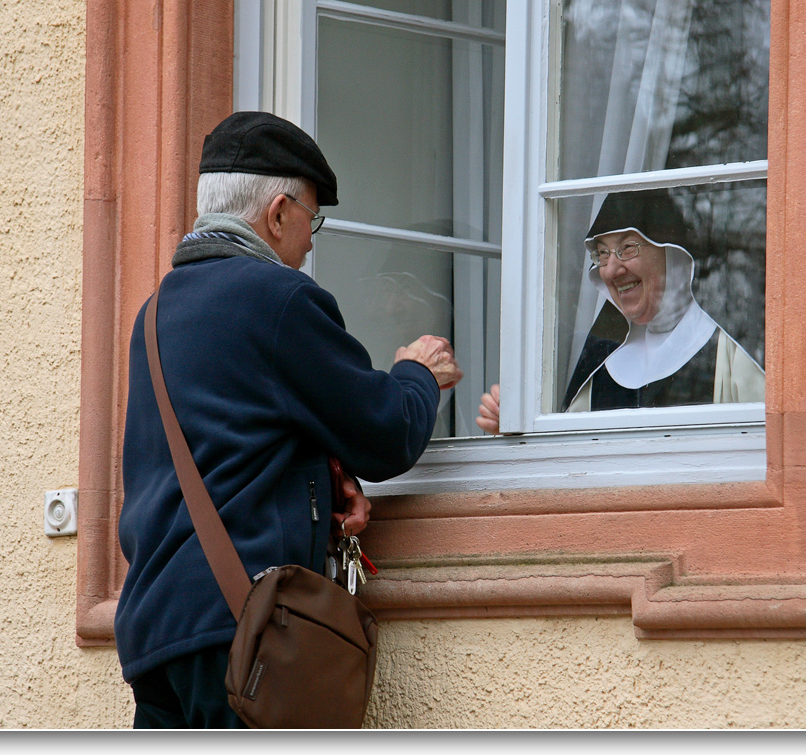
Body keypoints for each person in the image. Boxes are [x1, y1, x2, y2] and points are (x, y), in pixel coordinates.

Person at [115, 111, 463, 728]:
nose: (309, 244)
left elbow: (220, 448)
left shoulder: (154, 313)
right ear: (277, 214)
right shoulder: (276, 299)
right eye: (311, 221)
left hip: (155, 638)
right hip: (242, 637)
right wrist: (416, 373)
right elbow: (383, 435)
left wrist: (323, 476)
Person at [476, 189, 762, 433]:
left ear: (672, 254)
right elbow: (565, 464)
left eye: (627, 247)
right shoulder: (597, 366)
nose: (611, 270)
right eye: (602, 254)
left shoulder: (731, 353)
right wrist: (513, 425)